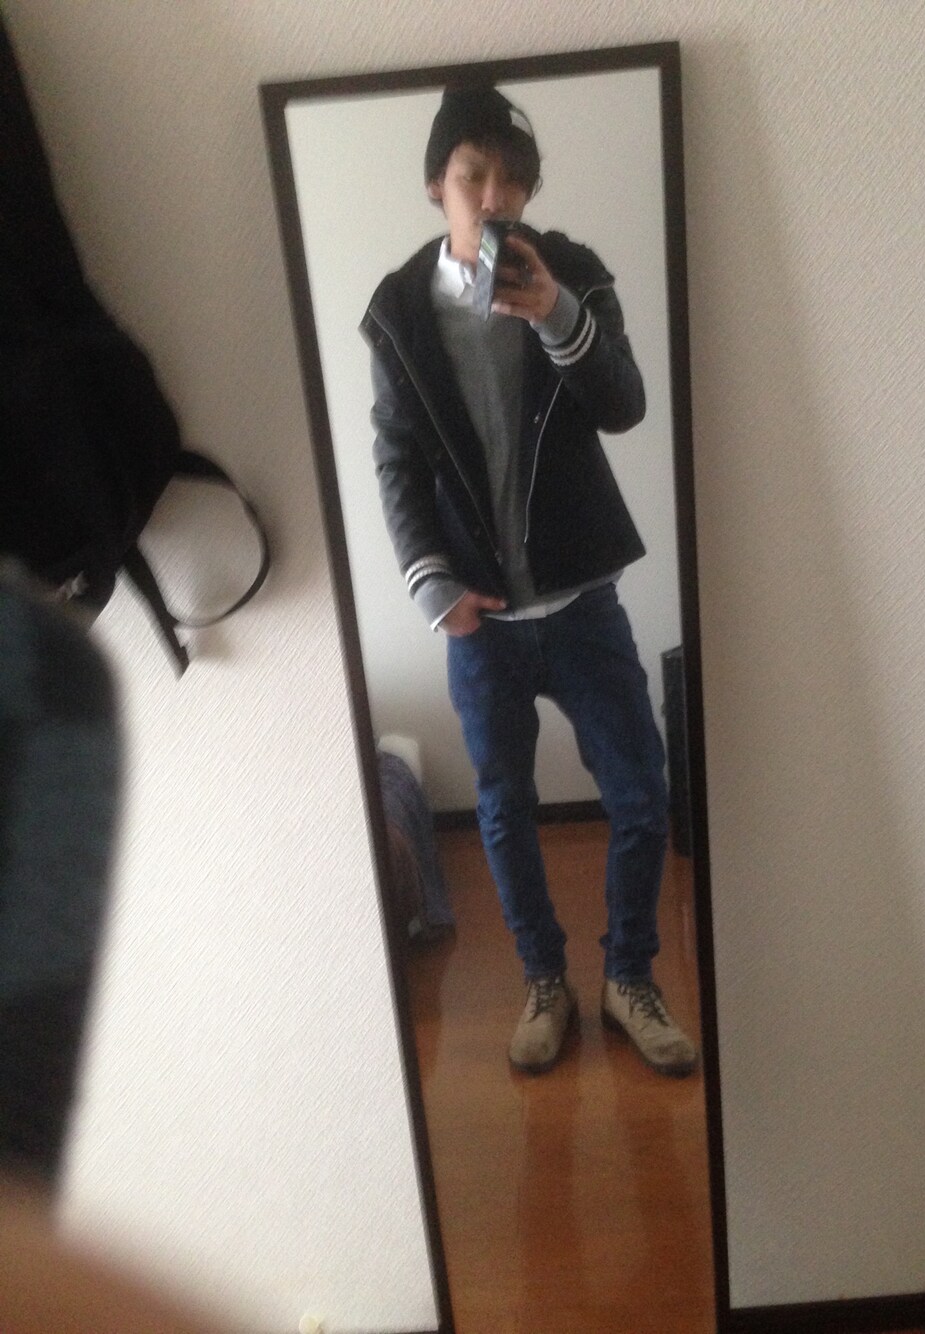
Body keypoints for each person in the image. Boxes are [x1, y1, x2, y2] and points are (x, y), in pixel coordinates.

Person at [361, 85, 697, 1078]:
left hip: (583, 600)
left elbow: (624, 403)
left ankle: (628, 976)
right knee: (504, 812)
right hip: (479, 618)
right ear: (438, 185)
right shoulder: (398, 312)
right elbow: (395, 458)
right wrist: (432, 586)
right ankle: (545, 981)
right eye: (474, 175)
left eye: (512, 179)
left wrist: (555, 312)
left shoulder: (573, 274)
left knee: (642, 796)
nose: (494, 196)